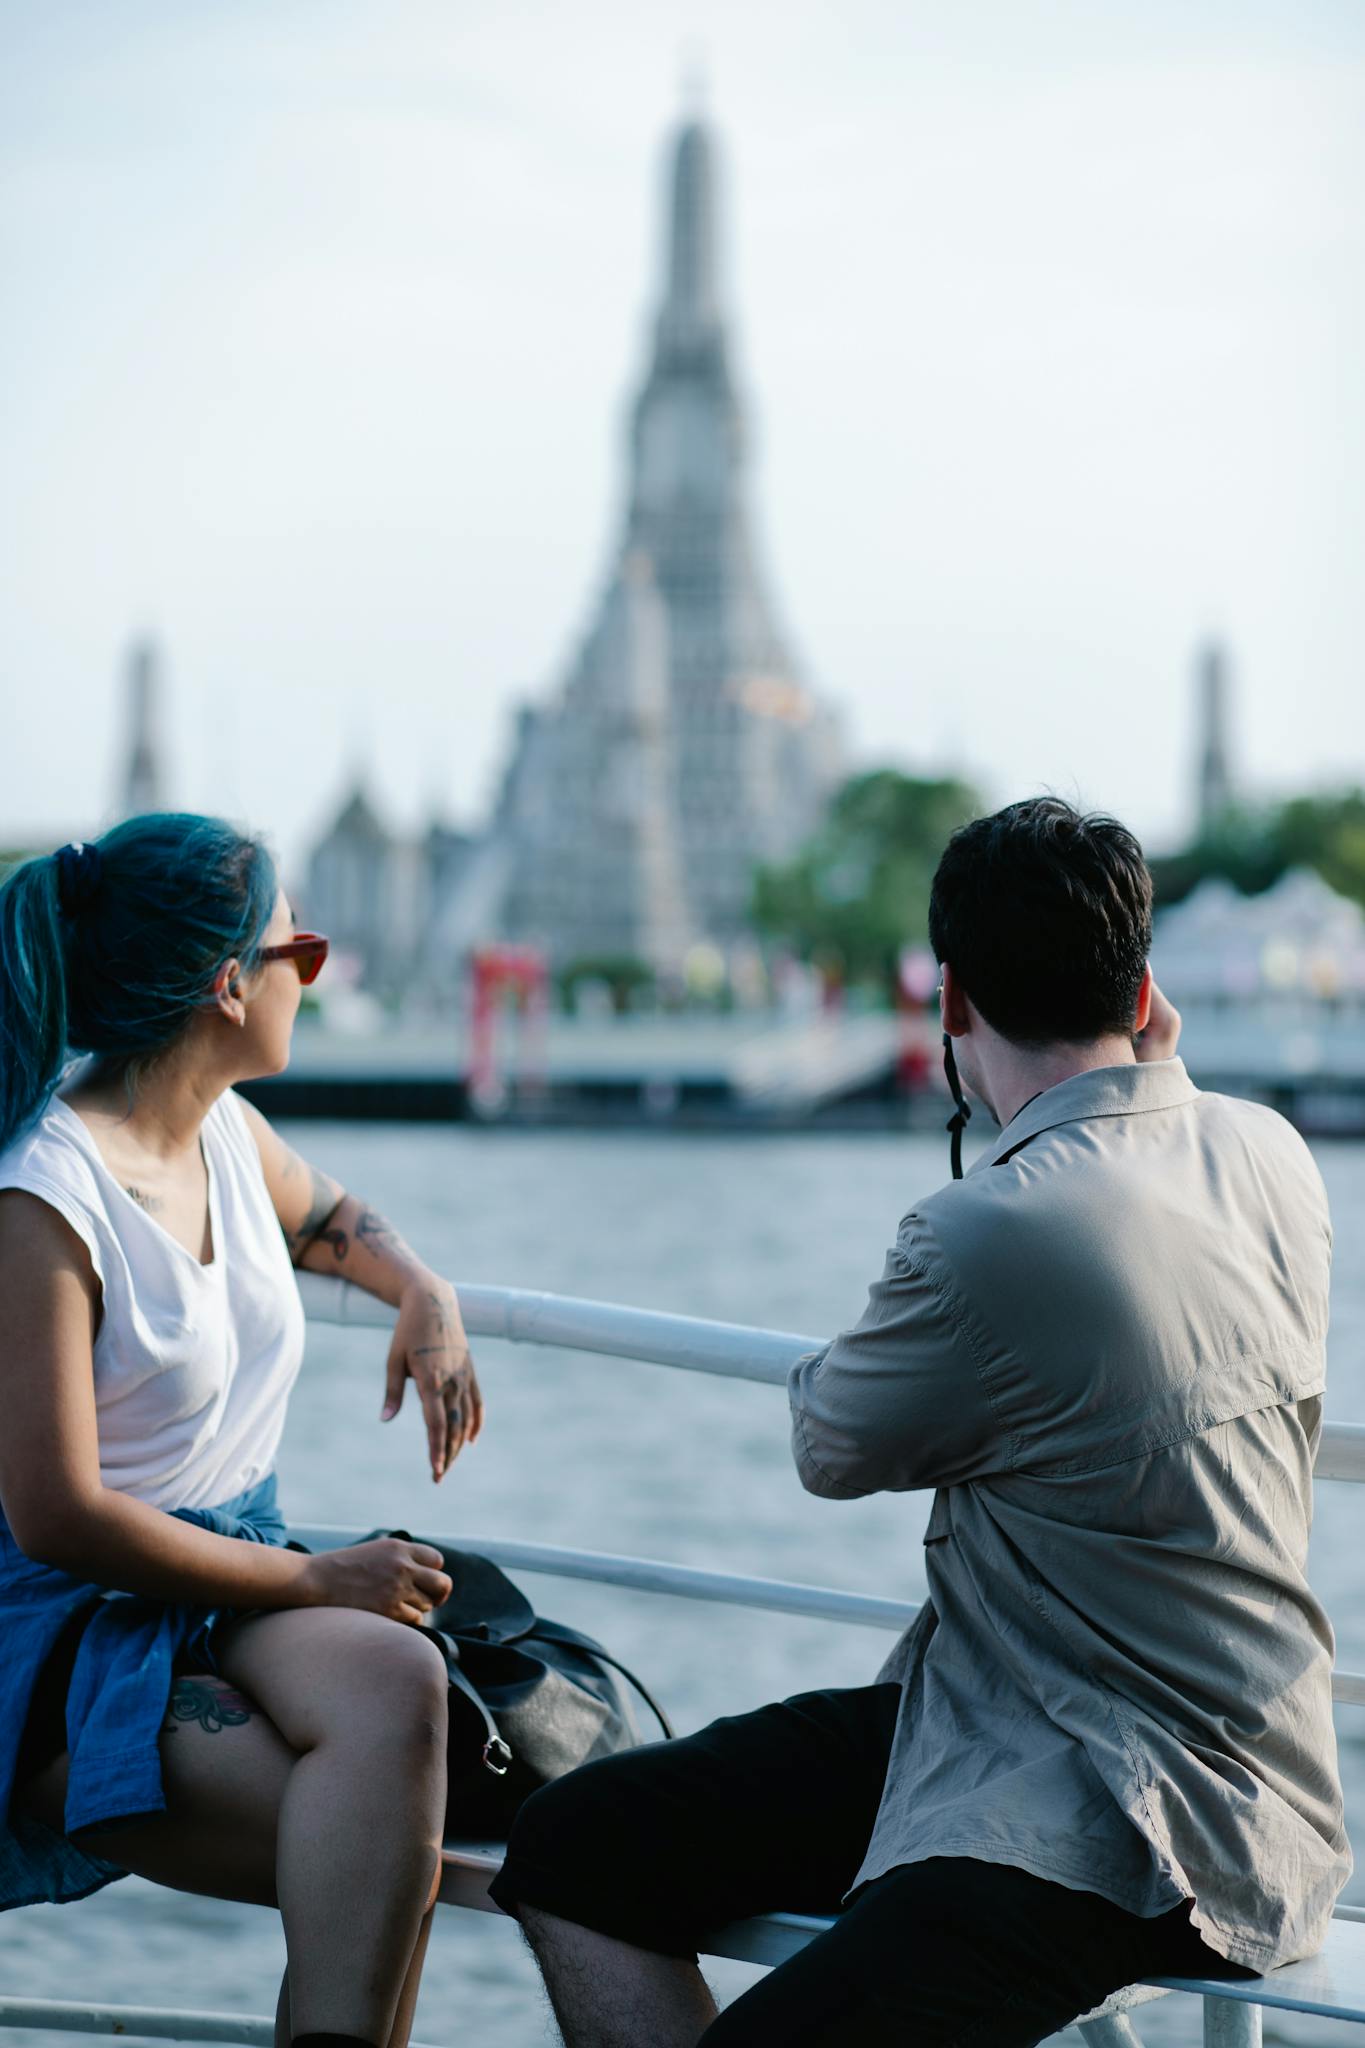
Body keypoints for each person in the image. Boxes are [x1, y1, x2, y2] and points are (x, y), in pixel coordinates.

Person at [489, 796, 1349, 2046]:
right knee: (576, 1840)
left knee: (594, 1876)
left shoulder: (986, 1227)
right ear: (1147, 986)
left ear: (949, 1002)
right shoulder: (1271, 1153)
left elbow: (831, 1444)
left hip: (1130, 1817)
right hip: (1153, 1742)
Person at [0, 814, 485, 2048]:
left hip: (230, 1574)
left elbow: (328, 1216)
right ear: (229, 982)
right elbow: (54, 1510)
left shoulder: (220, 1127)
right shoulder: (46, 1195)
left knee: (402, 1682)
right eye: (300, 951)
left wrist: (422, 1287)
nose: (310, 978)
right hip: (74, 1612)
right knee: (385, 1852)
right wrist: (320, 1575)